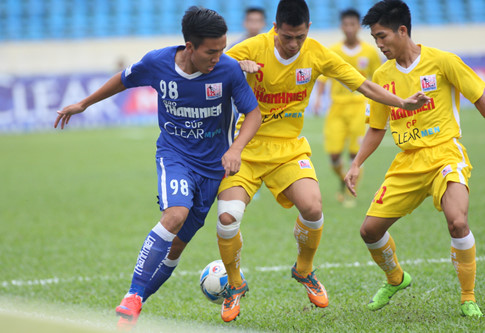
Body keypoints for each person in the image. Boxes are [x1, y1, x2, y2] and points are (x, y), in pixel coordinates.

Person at [216, 0, 430, 322]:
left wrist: (402, 102)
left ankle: (304, 269)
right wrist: (232, 68)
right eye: (286, 37)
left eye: (299, 37)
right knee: (228, 217)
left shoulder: (315, 53)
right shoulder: (249, 49)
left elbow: (363, 84)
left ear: (308, 30)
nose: (292, 45)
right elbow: (209, 68)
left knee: (314, 208)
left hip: (289, 148)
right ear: (275, 28)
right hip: (246, 147)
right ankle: (234, 285)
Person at [54, 6, 261, 330]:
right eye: (211, 51)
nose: (218, 57)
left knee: (177, 246)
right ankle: (133, 294)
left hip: (213, 168)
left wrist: (236, 148)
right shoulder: (157, 63)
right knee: (175, 214)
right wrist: (85, 103)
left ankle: (133, 307)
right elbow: (124, 79)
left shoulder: (229, 70)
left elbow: (254, 113)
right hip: (175, 155)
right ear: (189, 47)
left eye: (222, 49)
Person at [344, 0, 485, 317]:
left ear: (402, 30)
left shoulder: (443, 61)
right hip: (407, 162)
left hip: (445, 154)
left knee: (458, 221)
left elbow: (480, 97)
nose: (379, 45)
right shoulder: (381, 76)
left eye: (382, 36)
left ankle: (467, 297)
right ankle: (395, 278)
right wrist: (356, 164)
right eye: (375, 39)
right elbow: (376, 128)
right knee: (369, 231)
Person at [313, 8, 381, 207]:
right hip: (337, 109)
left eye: (353, 24)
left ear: (358, 26)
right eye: (346, 24)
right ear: (341, 26)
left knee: (355, 155)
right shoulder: (333, 51)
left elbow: (377, 78)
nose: (349, 28)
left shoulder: (369, 52)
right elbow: (324, 77)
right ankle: (343, 178)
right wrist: (318, 99)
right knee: (334, 155)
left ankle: (351, 192)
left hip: (359, 108)